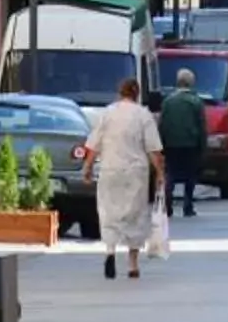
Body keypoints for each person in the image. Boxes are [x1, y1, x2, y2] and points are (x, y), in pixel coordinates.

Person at [86, 77, 166, 279]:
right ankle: (132, 264)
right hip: (135, 172)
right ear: (137, 94)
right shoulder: (143, 115)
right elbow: (153, 149)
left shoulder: (107, 113)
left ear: (119, 92)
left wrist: (87, 167)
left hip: (110, 169)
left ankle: (110, 251)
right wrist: (160, 174)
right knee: (135, 215)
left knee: (108, 211)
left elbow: (94, 144)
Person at [157, 69, 210, 219]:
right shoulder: (196, 101)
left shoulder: (168, 101)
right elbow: (201, 126)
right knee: (190, 175)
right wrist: (203, 146)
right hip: (190, 144)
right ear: (191, 83)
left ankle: (168, 201)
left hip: (171, 143)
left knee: (171, 173)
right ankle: (188, 205)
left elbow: (162, 124)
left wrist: (161, 144)